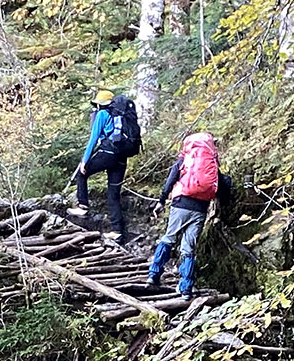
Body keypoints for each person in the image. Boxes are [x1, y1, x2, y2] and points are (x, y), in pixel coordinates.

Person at [148, 132, 232, 297]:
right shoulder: (211, 165)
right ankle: (186, 288)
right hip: (200, 209)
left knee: (169, 238)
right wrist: (225, 202)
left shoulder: (184, 161)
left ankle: (154, 275)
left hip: (180, 204)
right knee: (189, 248)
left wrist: (161, 201)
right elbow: (224, 184)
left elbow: (170, 180)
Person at [69, 89, 129, 244]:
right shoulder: (121, 116)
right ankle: (117, 231)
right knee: (113, 195)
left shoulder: (102, 114)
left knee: (82, 174)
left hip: (107, 153)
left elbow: (93, 139)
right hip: (121, 157)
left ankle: (83, 206)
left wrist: (84, 161)